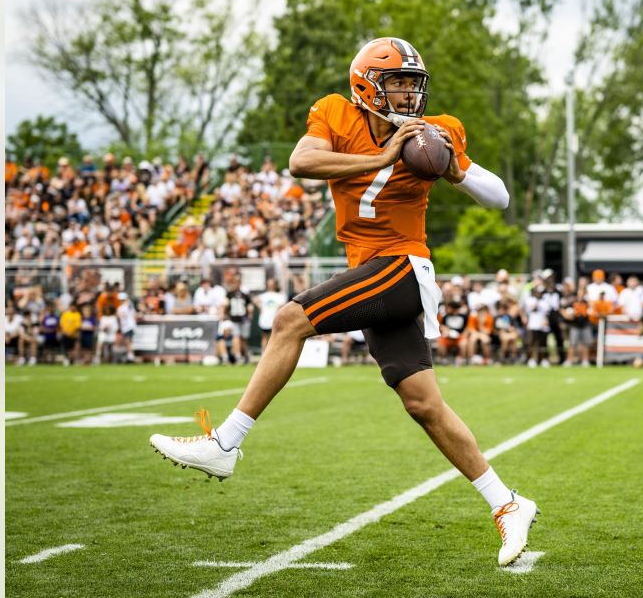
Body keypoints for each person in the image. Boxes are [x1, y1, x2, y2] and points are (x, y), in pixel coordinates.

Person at [150, 37, 537, 566]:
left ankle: (226, 443)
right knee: (424, 405)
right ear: (366, 86)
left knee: (290, 319)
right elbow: (301, 162)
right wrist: (380, 155)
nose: (407, 96)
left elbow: (500, 197)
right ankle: (508, 503)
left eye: (412, 85)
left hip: (402, 267)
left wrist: (455, 169)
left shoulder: (436, 131)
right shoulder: (335, 112)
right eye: (397, 84)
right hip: (369, 270)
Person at [256, 278, 289, 352]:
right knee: (265, 337)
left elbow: (282, 305)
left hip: (275, 320)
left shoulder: (280, 296)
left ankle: (273, 353)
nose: (270, 286)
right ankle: (263, 353)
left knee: (275, 337)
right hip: (265, 320)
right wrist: (260, 307)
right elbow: (255, 299)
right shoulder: (264, 296)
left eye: (272, 284)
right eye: (269, 284)